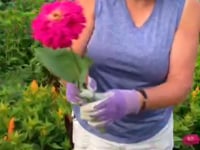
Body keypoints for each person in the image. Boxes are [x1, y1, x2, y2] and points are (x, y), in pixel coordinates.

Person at [66, 0, 200, 149]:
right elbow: (70, 55)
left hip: (149, 139)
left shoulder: (186, 6)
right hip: (92, 135)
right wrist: (74, 79)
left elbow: (180, 84)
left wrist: (136, 100)